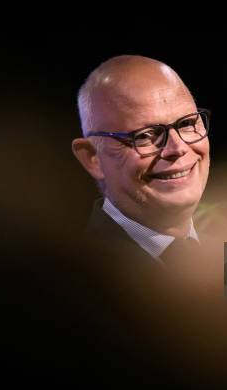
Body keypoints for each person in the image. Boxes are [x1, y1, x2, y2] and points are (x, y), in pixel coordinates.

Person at [71, 55, 211, 270]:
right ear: (93, 158)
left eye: (187, 123)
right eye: (146, 135)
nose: (178, 148)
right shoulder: (76, 282)